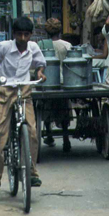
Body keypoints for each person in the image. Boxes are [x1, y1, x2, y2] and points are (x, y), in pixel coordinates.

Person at [0, 16, 46, 203]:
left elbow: (40, 64)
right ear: (14, 34)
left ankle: (31, 172)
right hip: (3, 90)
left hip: (23, 89)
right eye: (19, 34)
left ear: (30, 35)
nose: (23, 38)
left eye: (26, 34)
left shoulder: (34, 48)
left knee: (32, 131)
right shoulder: (4, 47)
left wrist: (40, 73)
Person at [39, 18, 72, 152]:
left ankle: (49, 133)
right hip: (64, 81)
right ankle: (65, 139)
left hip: (47, 81)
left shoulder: (41, 44)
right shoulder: (67, 45)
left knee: (46, 106)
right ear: (60, 30)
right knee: (64, 108)